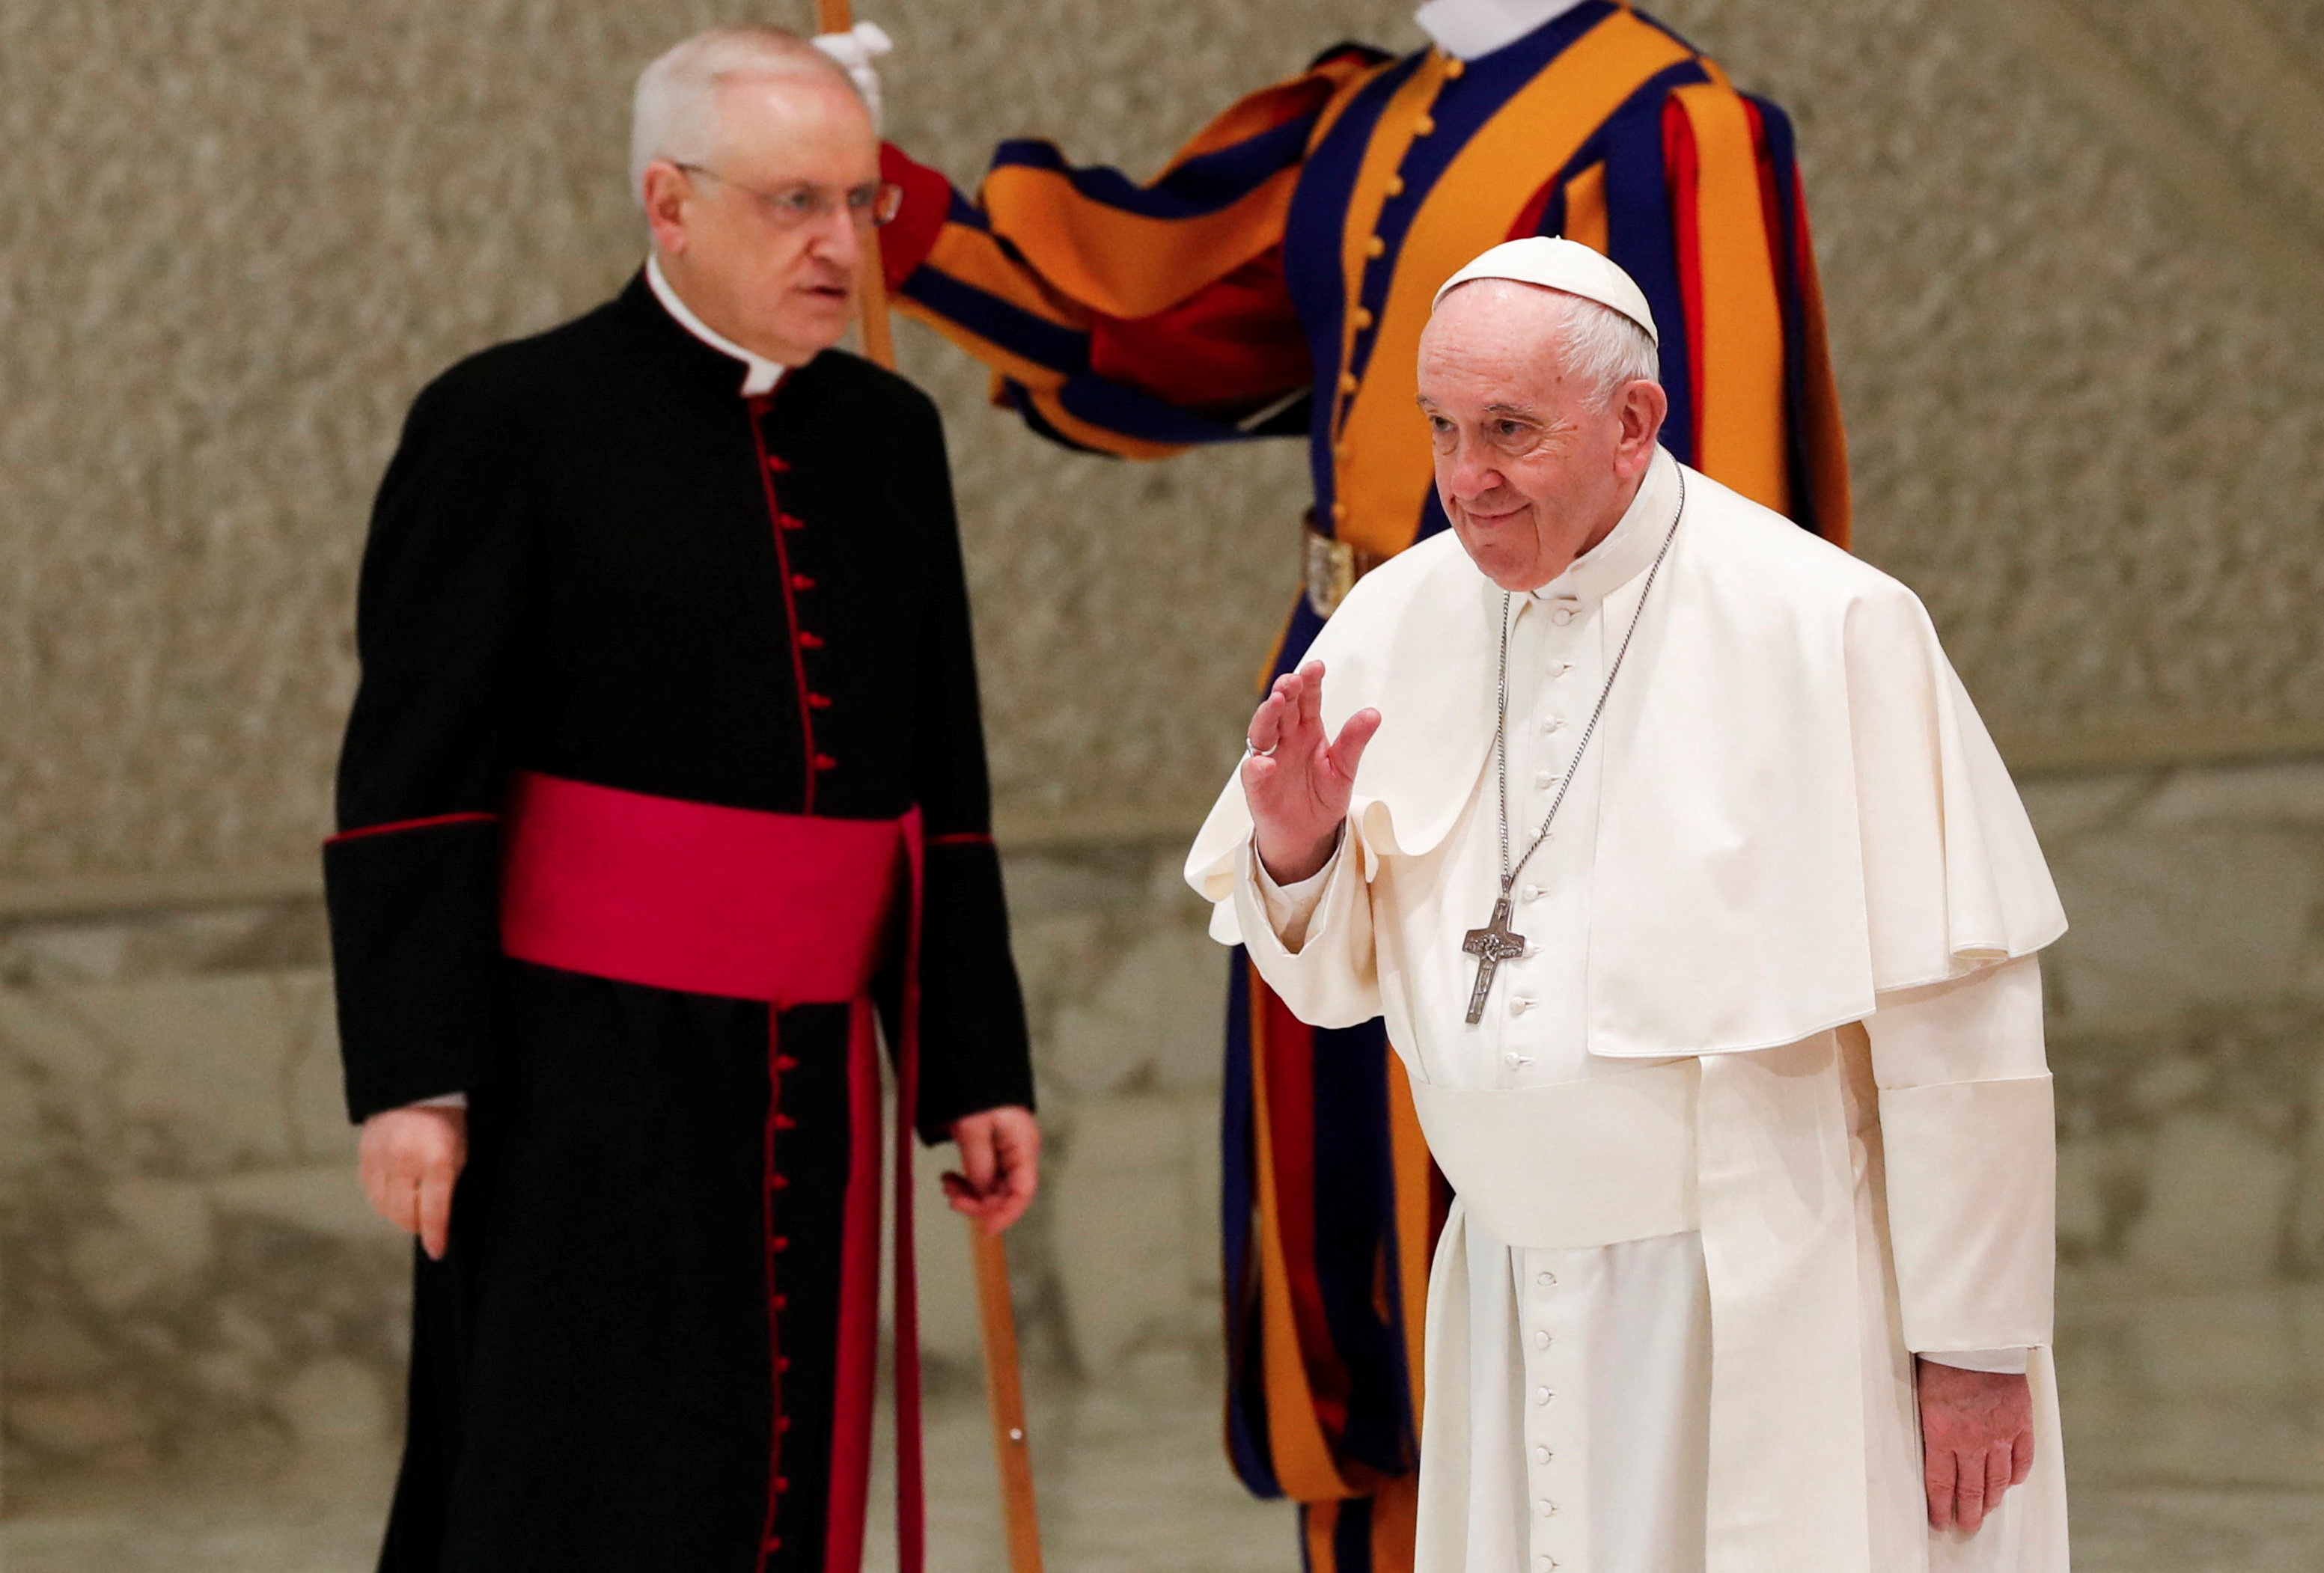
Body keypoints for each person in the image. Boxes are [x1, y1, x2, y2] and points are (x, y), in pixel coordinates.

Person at [827, 6, 1850, 1555]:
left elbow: (1717, 506)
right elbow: (1158, 350)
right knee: (1341, 1224)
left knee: (1506, 1195)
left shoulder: (1667, 125)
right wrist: (880, 199)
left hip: (1558, 724)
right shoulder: (1374, 111)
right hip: (1357, 679)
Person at [1185, 238, 2069, 1573]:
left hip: (1764, 1288)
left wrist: (1975, 1348)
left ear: (1631, 423)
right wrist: (1298, 854)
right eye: (1440, 427)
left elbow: (1962, 1019)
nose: (1465, 477)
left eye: (1509, 431)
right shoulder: (1398, 614)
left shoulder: (1824, 623)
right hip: (1507, 1283)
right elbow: (1331, 986)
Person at [326, 26, 1036, 1572]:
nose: (841, 244)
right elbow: (411, 776)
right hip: (570, 1074)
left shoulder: (888, 440)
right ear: (668, 202)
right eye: (793, 203)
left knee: (781, 1473)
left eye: (857, 202)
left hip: (808, 1062)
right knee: (569, 1471)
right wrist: (414, 1080)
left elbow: (940, 782)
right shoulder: (505, 420)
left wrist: (967, 1060)